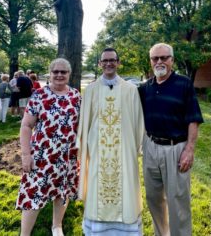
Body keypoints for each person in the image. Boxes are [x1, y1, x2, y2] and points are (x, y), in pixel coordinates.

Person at [77, 48, 145, 236]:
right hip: (98, 149)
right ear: (99, 64)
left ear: (118, 62)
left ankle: (127, 230)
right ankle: (97, 229)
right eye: (105, 60)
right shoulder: (90, 90)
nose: (108, 63)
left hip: (124, 149)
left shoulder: (131, 89)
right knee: (97, 182)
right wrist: (84, 145)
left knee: (126, 183)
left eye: (112, 60)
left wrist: (136, 145)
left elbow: (138, 119)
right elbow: (85, 121)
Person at [139, 43, 204, 236]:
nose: (159, 61)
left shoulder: (184, 84)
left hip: (176, 149)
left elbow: (193, 119)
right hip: (150, 147)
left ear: (172, 60)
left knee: (177, 200)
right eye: (155, 58)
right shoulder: (144, 89)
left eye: (164, 58)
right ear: (150, 62)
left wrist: (189, 149)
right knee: (153, 198)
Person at [16, 58, 81, 236]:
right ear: (50, 74)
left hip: (67, 155)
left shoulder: (75, 96)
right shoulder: (39, 95)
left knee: (63, 191)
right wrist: (26, 154)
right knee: (33, 193)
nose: (59, 75)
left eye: (63, 72)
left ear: (69, 74)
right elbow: (26, 126)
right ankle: (25, 233)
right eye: (55, 72)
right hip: (42, 156)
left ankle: (57, 226)